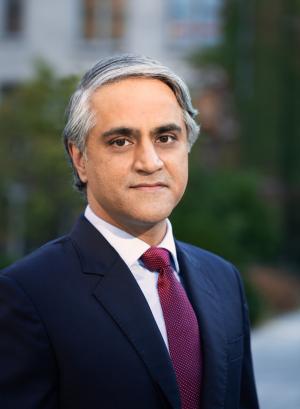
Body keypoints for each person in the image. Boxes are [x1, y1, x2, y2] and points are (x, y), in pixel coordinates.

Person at [0, 54, 259, 409]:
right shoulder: (26, 295)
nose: (149, 162)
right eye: (121, 141)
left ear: (187, 147)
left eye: (166, 137)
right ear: (80, 159)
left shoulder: (223, 278)